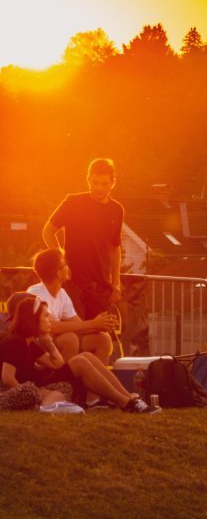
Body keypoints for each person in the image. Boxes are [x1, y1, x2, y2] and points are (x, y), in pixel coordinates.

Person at [0, 293, 160, 414]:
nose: (50, 320)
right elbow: (7, 378)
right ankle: (126, 403)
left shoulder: (30, 341)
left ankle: (130, 399)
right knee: (80, 362)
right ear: (33, 319)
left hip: (42, 383)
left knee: (86, 357)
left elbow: (58, 364)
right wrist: (33, 393)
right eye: (46, 316)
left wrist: (49, 345)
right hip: (30, 389)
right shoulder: (16, 341)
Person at [42, 158, 123, 319]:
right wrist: (62, 263)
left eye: (104, 183)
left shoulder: (117, 210)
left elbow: (115, 248)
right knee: (75, 331)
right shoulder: (73, 202)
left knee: (100, 336)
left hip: (101, 285)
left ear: (112, 183)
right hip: (73, 281)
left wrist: (116, 283)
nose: (98, 188)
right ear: (88, 179)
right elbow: (47, 232)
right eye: (94, 182)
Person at [27, 248, 118, 365]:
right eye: (65, 264)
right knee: (70, 339)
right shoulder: (35, 293)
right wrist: (93, 323)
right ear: (58, 273)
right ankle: (63, 381)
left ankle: (93, 381)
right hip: (39, 346)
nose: (68, 266)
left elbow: (79, 325)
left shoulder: (62, 294)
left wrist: (101, 325)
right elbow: (50, 327)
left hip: (53, 341)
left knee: (103, 339)